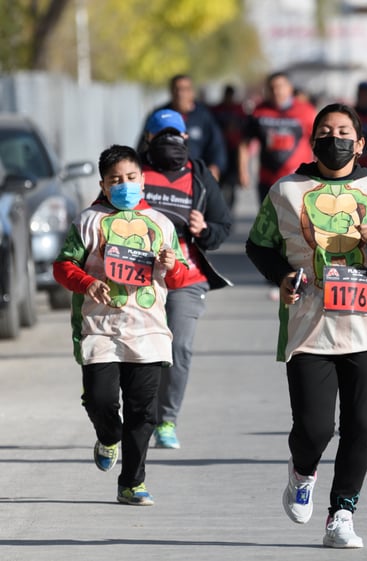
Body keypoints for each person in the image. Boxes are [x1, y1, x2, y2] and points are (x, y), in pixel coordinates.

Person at [245, 103, 367, 548]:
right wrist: (282, 276)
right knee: (316, 428)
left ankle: (341, 514)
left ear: (360, 144)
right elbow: (258, 246)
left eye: (344, 131)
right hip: (308, 327)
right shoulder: (286, 190)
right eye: (325, 130)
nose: (334, 138)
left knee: (362, 424)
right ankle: (302, 471)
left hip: (365, 328)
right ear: (313, 140)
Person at [52, 145, 189, 505]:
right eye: (116, 180)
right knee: (100, 400)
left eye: (130, 178)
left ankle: (132, 483)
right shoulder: (89, 220)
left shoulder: (161, 224)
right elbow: (63, 266)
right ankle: (108, 436)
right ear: (103, 184)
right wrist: (87, 283)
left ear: (143, 181)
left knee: (143, 411)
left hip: (149, 330)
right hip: (99, 328)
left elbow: (179, 279)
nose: (124, 185)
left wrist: (172, 263)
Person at [140, 109, 233, 449]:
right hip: (138, 277)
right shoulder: (132, 173)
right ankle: (139, 415)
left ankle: (166, 420)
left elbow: (223, 226)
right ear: (148, 139)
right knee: (140, 351)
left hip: (186, 276)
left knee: (178, 346)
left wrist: (204, 230)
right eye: (160, 134)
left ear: (186, 138)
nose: (169, 141)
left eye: (174, 134)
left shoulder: (198, 175)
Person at [239, 71, 317, 203]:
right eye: (272, 87)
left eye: (280, 86)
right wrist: (243, 171)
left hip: (298, 179)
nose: (276, 91)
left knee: (296, 222)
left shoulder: (306, 111)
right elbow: (244, 144)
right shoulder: (259, 112)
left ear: (290, 88)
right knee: (270, 221)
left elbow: (318, 143)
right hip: (268, 180)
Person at [140, 74, 227, 180]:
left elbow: (216, 145)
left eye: (185, 89)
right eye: (176, 89)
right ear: (171, 92)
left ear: (192, 92)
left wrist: (215, 167)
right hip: (163, 175)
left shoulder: (203, 115)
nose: (180, 93)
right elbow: (143, 146)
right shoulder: (159, 116)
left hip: (196, 177)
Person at [211, 84, 249, 210]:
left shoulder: (238, 110)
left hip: (234, 150)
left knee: (231, 184)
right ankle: (219, 207)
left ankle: (229, 209)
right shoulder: (217, 110)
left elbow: (244, 130)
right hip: (220, 149)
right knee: (219, 183)